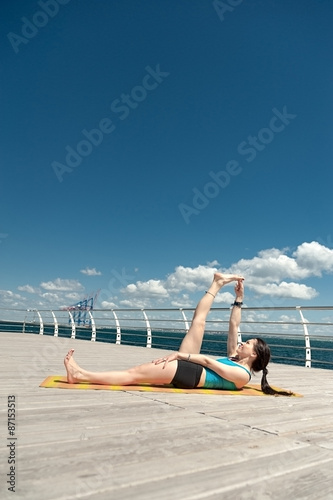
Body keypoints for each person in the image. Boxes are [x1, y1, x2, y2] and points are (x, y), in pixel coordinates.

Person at [64, 273, 293, 396]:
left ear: (254, 355)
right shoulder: (235, 357)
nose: (243, 342)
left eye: (249, 343)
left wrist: (179, 356)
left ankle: (81, 375)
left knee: (133, 374)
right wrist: (239, 298)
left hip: (190, 374)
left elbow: (206, 360)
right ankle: (216, 284)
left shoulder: (242, 375)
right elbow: (234, 325)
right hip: (192, 369)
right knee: (198, 323)